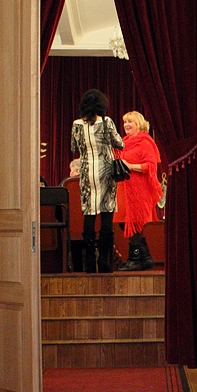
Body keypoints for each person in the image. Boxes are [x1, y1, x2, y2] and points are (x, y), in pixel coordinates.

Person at [71, 89, 124, 273]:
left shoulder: (77, 124)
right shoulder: (106, 122)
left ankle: (89, 261)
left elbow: (74, 147)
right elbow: (119, 143)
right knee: (106, 214)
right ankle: (103, 260)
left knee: (89, 214)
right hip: (106, 171)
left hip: (87, 172)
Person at [116, 111, 163, 271]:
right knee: (123, 222)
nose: (126, 125)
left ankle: (135, 259)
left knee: (135, 223)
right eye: (125, 122)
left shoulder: (145, 142)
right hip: (123, 189)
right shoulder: (123, 142)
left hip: (139, 190)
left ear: (139, 124)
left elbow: (151, 166)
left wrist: (131, 166)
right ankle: (145, 257)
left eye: (130, 122)